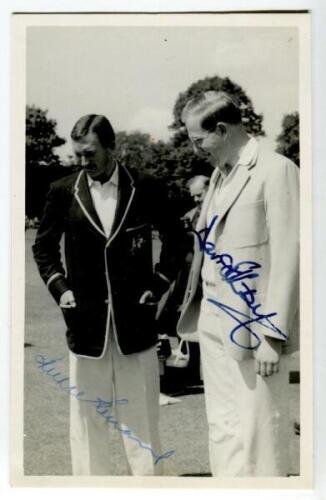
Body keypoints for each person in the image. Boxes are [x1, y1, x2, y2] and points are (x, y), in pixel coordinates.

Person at [32, 114, 184, 476]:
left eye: (90, 153)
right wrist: (60, 288)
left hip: (137, 325)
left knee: (142, 422)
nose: (83, 163)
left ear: (112, 147)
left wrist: (159, 284)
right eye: (78, 156)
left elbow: (177, 240)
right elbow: (44, 248)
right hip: (85, 327)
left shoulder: (145, 186)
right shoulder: (62, 190)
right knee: (87, 424)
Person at [177, 91, 299, 477]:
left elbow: (289, 256)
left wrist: (273, 335)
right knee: (223, 428)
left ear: (222, 129)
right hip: (212, 321)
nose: (196, 150)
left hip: (256, 330)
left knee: (262, 431)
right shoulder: (218, 174)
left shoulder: (277, 169)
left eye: (199, 140)